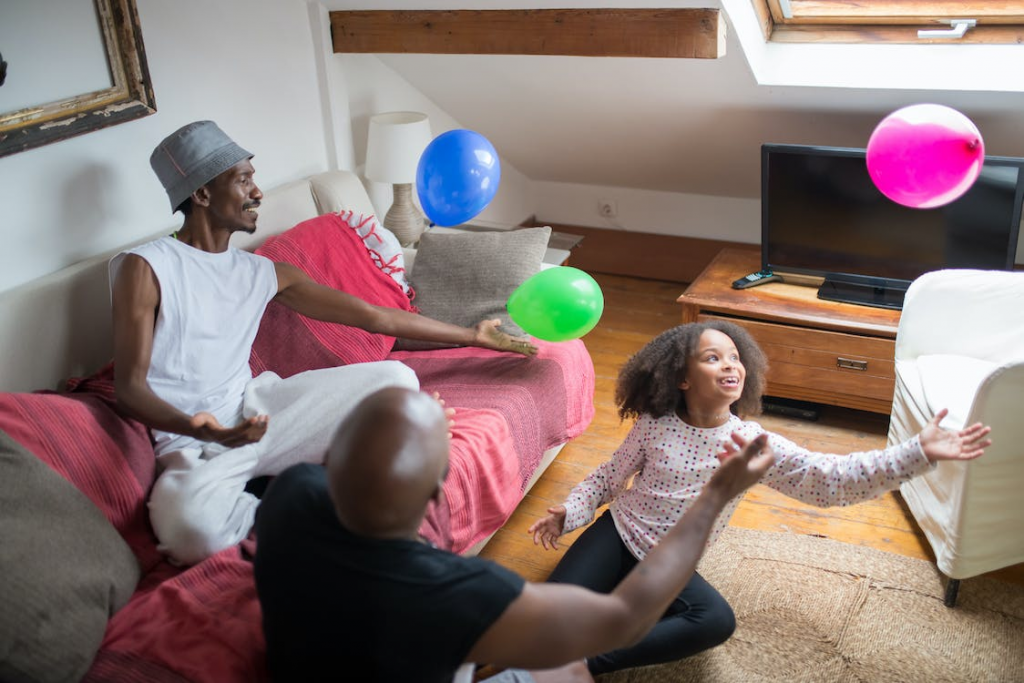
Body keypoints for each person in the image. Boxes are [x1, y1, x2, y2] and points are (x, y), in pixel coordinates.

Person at [110, 120, 537, 566]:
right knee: (190, 532)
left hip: (262, 412)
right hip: (192, 442)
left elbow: (375, 317)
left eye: (253, 179)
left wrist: (472, 335)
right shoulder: (147, 267)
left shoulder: (263, 272)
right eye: (243, 180)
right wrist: (200, 428)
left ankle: (275, 490)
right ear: (200, 194)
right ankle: (282, 503)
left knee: (395, 378)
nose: (257, 192)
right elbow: (129, 389)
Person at [527, 320, 992, 676]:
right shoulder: (654, 425)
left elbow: (831, 478)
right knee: (541, 619)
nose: (730, 365)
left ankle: (586, 663)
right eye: (712, 358)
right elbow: (609, 477)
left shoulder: (753, 444)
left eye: (734, 357)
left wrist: (916, 453)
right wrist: (572, 511)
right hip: (618, 532)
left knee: (714, 622)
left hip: (671, 562)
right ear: (681, 379)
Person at [253, 386, 776, 683]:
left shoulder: (290, 493)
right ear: (438, 494)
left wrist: (410, 432)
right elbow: (621, 620)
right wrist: (714, 495)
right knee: (570, 670)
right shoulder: (462, 591)